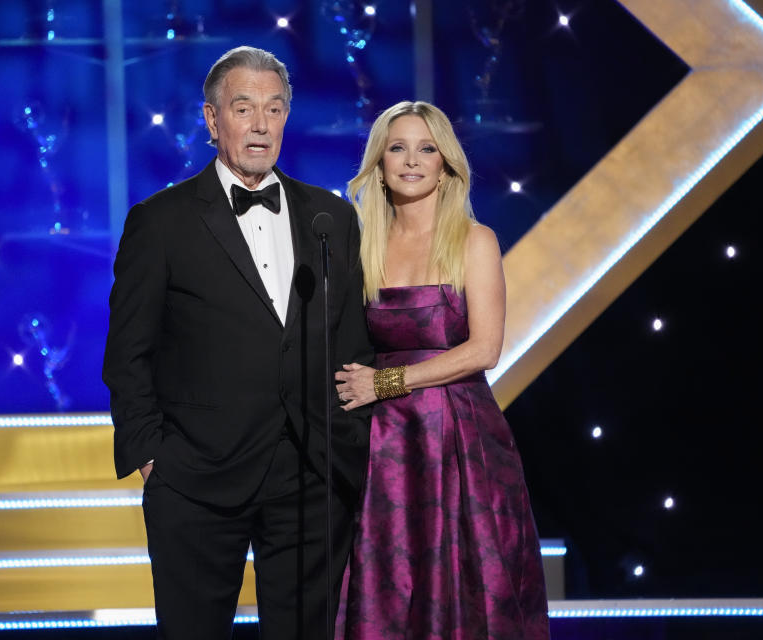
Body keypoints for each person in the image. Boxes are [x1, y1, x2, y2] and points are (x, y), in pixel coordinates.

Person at [102, 46, 373, 640]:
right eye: (243, 108)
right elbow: (127, 355)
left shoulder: (331, 218)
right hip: (196, 476)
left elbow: (354, 343)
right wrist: (154, 458)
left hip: (310, 474)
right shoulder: (161, 221)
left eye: (274, 110)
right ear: (211, 119)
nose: (259, 125)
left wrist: (346, 446)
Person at [333, 101, 550, 639]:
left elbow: (484, 350)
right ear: (379, 163)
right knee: (385, 584)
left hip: (457, 440)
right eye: (398, 148)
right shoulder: (360, 246)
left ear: (446, 163)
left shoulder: (476, 240)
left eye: (426, 148)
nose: (412, 161)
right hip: (384, 446)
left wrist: (386, 382)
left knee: (465, 587)